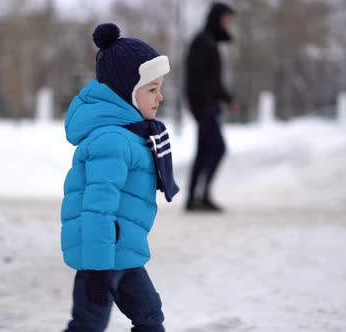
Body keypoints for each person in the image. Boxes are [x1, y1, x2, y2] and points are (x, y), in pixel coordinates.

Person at [60, 23, 178, 332]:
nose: (160, 97)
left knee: (150, 316)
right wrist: (98, 269)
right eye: (151, 89)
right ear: (126, 93)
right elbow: (97, 208)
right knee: (88, 325)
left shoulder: (133, 135)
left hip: (124, 254)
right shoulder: (112, 141)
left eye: (160, 88)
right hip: (100, 258)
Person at [184, 2, 237, 212]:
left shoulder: (209, 41)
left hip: (208, 105)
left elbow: (212, 80)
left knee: (205, 151)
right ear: (217, 18)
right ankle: (201, 194)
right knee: (217, 148)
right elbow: (198, 79)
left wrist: (226, 98)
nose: (228, 23)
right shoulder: (202, 42)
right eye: (226, 19)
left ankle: (193, 198)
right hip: (204, 106)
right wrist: (204, 105)